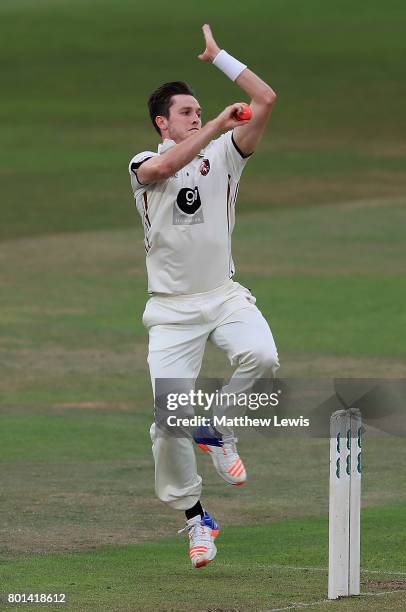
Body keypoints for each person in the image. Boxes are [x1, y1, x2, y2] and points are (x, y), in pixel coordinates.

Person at [129, 24, 279, 568]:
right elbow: (166, 168)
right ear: (162, 122)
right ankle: (196, 517)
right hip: (170, 312)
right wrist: (216, 122)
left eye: (199, 110)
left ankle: (221, 428)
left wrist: (221, 58)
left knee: (261, 355)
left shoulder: (226, 155)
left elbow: (265, 99)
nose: (197, 115)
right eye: (185, 112)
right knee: (168, 421)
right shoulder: (143, 163)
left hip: (222, 293)